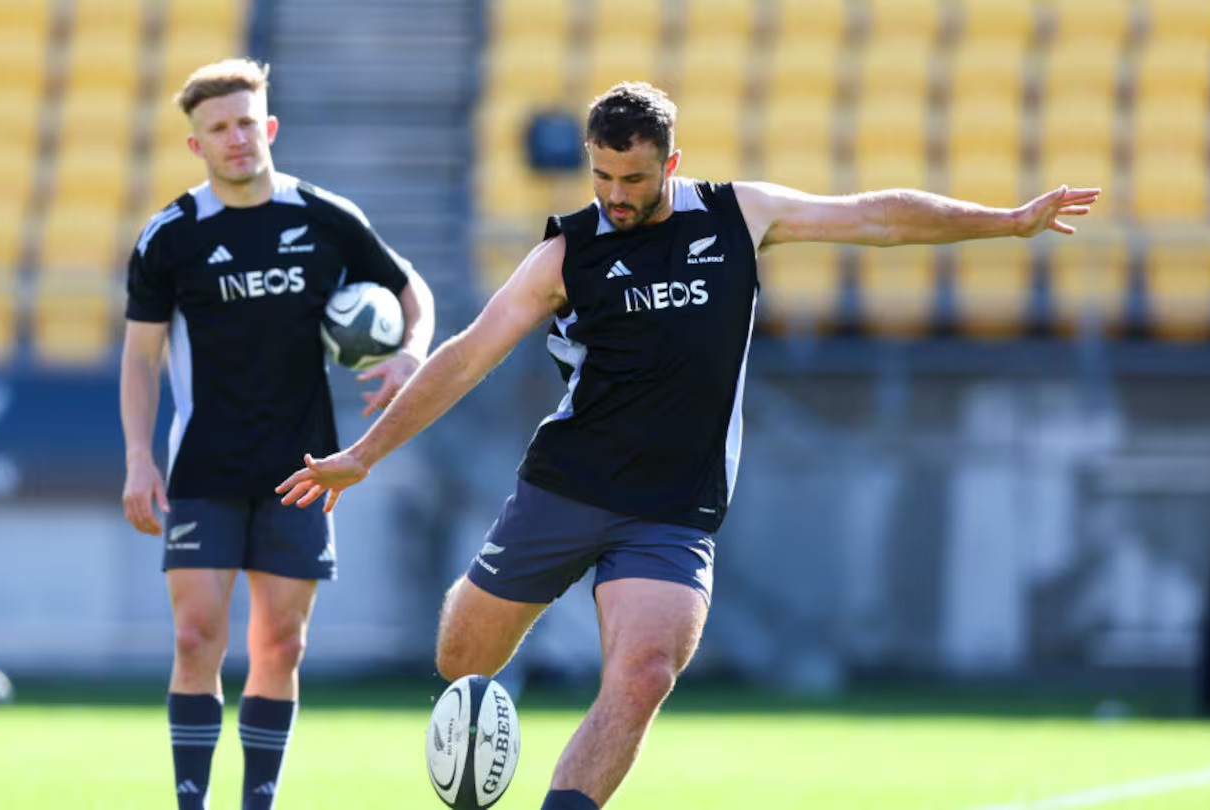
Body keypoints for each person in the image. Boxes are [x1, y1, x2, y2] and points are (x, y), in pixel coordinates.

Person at [275, 81, 1098, 809]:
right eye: (601, 176)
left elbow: (874, 216)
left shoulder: (740, 213)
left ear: (673, 163)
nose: (616, 196)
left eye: (633, 179)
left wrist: (1008, 222)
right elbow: (466, 355)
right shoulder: (567, 251)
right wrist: (366, 453)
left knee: (643, 676)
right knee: (463, 660)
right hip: (565, 485)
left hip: (672, 509)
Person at [119, 58, 435, 810]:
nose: (236, 138)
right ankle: (191, 801)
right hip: (204, 466)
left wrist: (411, 354)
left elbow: (409, 288)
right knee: (198, 639)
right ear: (196, 145)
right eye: (218, 128)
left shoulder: (324, 216)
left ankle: (257, 802)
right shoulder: (171, 235)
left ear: (270, 126)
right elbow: (140, 355)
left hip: (304, 468)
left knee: (282, 645)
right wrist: (138, 455)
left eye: (245, 122)